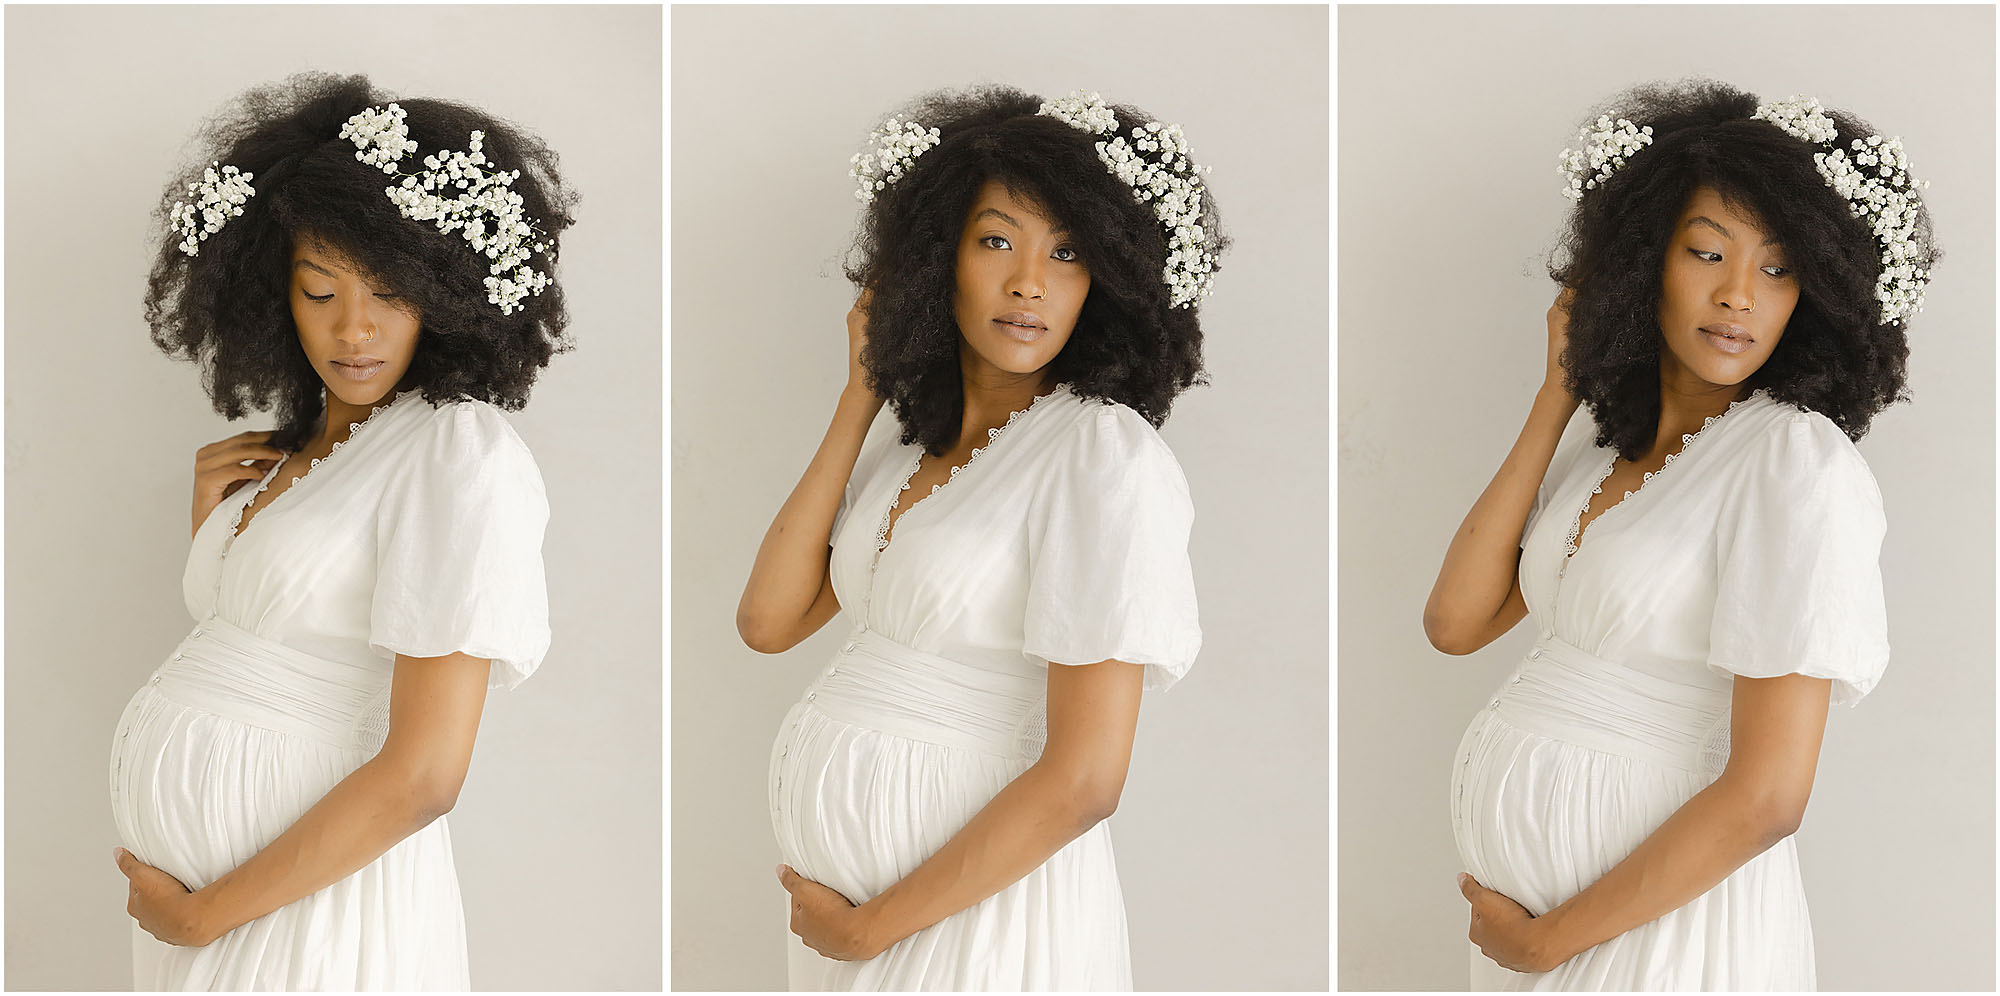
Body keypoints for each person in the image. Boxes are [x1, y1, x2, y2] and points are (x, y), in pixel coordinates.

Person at [1425, 80, 1935, 990]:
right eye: (1708, 252)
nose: (1739, 295)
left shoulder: (1791, 461)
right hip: (1541, 941)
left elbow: (1769, 797)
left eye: (1780, 270)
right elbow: (1456, 622)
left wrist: (1549, 943)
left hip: (1661, 935)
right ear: (1642, 260)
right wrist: (1558, 393)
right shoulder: (1604, 444)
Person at [736, 86, 1225, 991]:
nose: (1028, 282)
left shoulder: (1099, 453)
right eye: (997, 239)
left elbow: (1086, 779)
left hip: (977, 922)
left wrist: (872, 929)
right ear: (937, 258)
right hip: (858, 926)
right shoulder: (908, 445)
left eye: (1068, 252)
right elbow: (768, 621)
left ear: (1111, 281)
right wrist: (861, 394)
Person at [109, 72, 575, 990]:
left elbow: (426, 775)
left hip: (307, 912)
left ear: (446, 297)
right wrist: (222, 529)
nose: (352, 330)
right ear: (270, 294)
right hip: (210, 910)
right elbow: (275, 645)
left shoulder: (454, 450)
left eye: (388, 294)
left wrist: (203, 915)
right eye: (319, 292)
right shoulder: (288, 457)